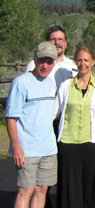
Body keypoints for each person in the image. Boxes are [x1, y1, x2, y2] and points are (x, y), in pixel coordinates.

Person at [54, 45, 95, 208]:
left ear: (93, 62)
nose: (82, 63)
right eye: (79, 60)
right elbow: (54, 113)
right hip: (68, 144)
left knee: (92, 192)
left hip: (92, 145)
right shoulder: (65, 86)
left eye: (86, 60)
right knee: (70, 191)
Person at [6, 42, 59, 208]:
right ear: (35, 59)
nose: (45, 65)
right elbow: (11, 118)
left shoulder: (51, 83)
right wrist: (16, 147)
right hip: (27, 149)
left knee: (42, 189)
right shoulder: (21, 83)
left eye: (49, 62)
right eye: (41, 60)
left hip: (48, 149)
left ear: (54, 62)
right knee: (26, 191)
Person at [24, 24, 77, 88]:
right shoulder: (35, 65)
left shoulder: (74, 65)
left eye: (60, 39)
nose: (57, 43)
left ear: (66, 43)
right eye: (53, 39)